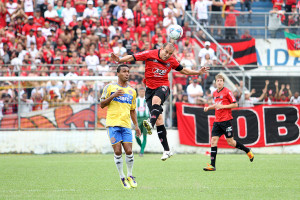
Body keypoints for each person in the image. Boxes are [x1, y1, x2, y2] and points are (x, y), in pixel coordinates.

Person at [111, 43, 209, 161]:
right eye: (166, 52)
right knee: (159, 120)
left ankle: (149, 123)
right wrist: (120, 59)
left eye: (170, 54)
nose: (167, 55)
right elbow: (132, 57)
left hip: (163, 87)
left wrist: (198, 72)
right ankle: (167, 150)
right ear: (161, 49)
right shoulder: (150, 54)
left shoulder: (171, 61)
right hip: (149, 89)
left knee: (156, 101)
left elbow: (184, 71)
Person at [100, 64, 141, 189]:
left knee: (129, 151)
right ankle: (122, 176)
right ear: (118, 73)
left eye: (128, 71)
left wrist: (137, 126)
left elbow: (132, 110)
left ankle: (130, 175)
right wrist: (113, 95)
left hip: (126, 125)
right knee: (118, 151)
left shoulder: (132, 91)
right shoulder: (110, 87)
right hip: (112, 124)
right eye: (124, 71)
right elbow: (102, 104)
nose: (127, 74)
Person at [203, 74, 254, 171]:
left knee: (231, 142)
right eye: (217, 81)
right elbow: (217, 105)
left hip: (226, 121)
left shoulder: (227, 92)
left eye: (221, 81)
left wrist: (223, 107)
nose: (219, 82)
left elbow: (235, 104)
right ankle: (212, 165)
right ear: (215, 82)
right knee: (213, 141)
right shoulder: (214, 93)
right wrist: (209, 107)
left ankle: (247, 150)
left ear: (223, 82)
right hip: (217, 121)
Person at [135, 87, 150, 157]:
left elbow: (151, 109)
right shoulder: (135, 100)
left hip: (145, 119)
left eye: (143, 91)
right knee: (136, 137)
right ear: (138, 92)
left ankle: (142, 152)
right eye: (140, 91)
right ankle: (142, 148)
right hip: (138, 119)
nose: (142, 93)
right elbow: (133, 111)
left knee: (144, 135)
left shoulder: (147, 99)